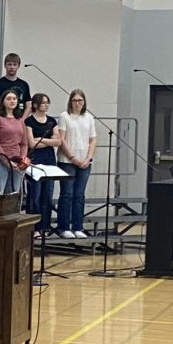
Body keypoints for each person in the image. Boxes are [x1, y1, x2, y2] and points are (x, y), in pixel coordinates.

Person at [56, 89, 97, 239]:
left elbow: (93, 140)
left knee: (79, 195)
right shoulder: (64, 116)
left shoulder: (89, 118)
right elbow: (62, 140)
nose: (78, 103)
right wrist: (73, 158)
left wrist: (88, 158)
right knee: (67, 194)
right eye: (75, 100)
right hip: (67, 161)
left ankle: (78, 226)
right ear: (70, 102)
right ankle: (64, 227)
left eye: (80, 100)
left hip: (85, 162)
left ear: (84, 102)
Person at [24, 94, 63, 238]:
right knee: (35, 194)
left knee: (47, 194)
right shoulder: (29, 121)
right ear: (35, 105)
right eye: (43, 103)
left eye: (48, 102)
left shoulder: (52, 121)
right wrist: (49, 140)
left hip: (49, 159)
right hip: (35, 159)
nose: (46, 105)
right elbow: (32, 143)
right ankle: (33, 228)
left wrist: (43, 140)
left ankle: (45, 227)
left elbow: (58, 141)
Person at [0, 89, 29, 195]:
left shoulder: (19, 120)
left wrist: (21, 160)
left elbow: (24, 143)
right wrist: (7, 161)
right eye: (9, 99)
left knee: (14, 193)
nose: (12, 101)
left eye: (14, 99)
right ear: (3, 102)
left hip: (17, 161)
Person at [0, 53, 30, 120]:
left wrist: (22, 120)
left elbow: (28, 105)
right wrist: (6, 120)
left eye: (14, 65)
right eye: (9, 64)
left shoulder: (24, 84)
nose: (12, 67)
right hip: (4, 120)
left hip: (20, 120)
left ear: (18, 66)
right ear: (5, 65)